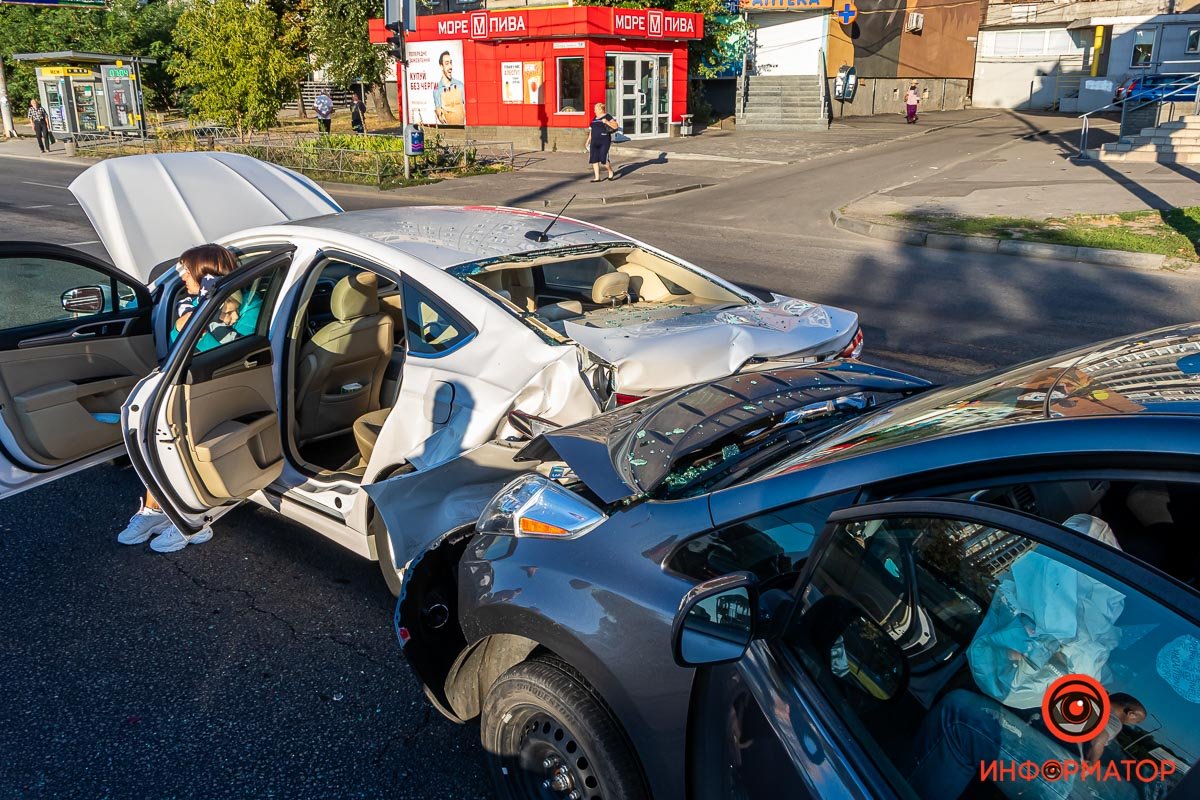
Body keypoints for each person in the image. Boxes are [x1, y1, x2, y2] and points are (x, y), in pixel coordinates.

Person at [116, 244, 247, 553]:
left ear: (206, 275)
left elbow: (234, 344)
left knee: (174, 450)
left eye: (185, 271)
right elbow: (183, 338)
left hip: (213, 383)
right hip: (181, 381)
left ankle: (192, 521)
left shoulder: (241, 305)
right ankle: (156, 511)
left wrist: (200, 320)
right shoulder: (195, 302)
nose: (181, 277)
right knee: (153, 443)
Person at [585, 102, 619, 183]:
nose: (594, 110)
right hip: (594, 141)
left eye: (595, 109)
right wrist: (588, 140)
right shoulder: (595, 118)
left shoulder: (607, 116)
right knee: (594, 159)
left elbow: (616, 126)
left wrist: (607, 122)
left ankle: (610, 171)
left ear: (600, 109)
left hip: (604, 140)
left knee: (603, 159)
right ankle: (597, 177)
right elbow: (592, 130)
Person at [433, 51, 465, 125]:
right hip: (448, 131)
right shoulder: (437, 91)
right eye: (447, 63)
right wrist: (439, 113)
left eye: (451, 63)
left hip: (463, 130)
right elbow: (439, 112)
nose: (450, 67)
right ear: (441, 66)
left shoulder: (460, 85)